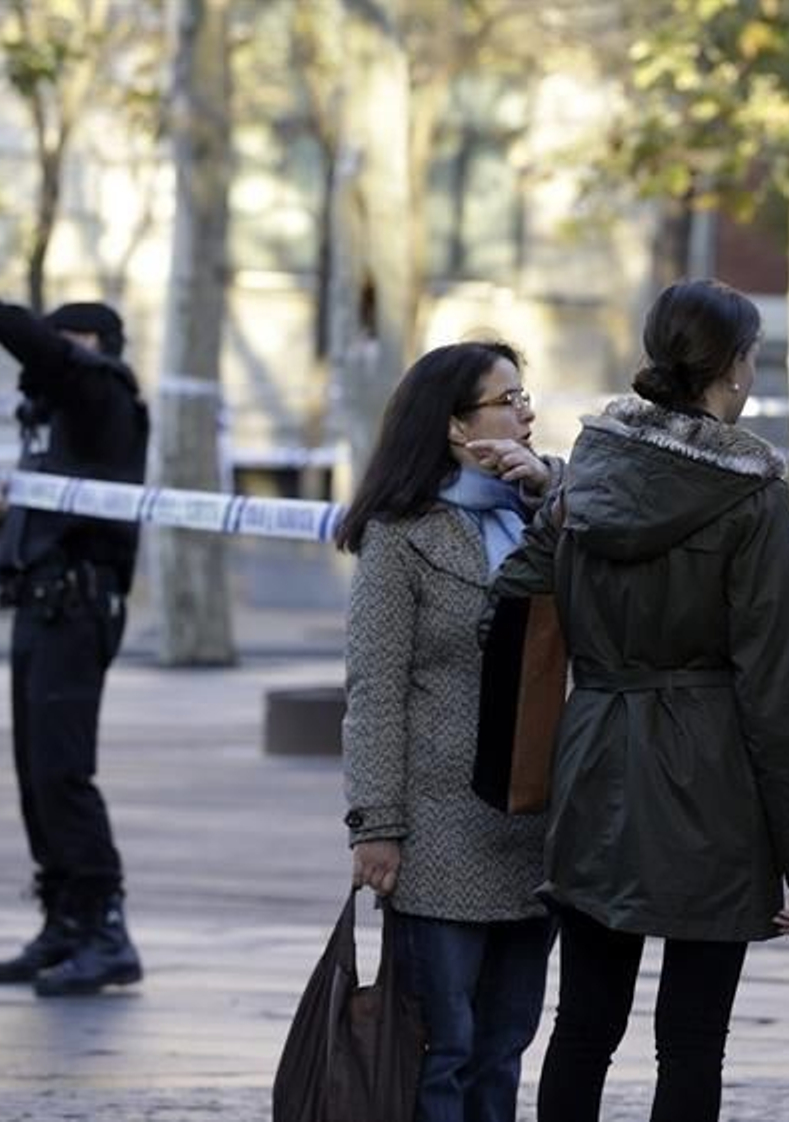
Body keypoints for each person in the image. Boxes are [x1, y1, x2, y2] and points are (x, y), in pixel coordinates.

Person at [490, 278, 789, 1122]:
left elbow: (517, 592)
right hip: (710, 776)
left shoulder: (591, 473)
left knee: (583, 1025)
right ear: (736, 370)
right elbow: (777, 686)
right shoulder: (751, 495)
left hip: (596, 752)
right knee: (691, 1042)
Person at [337, 341, 563, 1122]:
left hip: (535, 830)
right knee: (445, 1048)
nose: (527, 412)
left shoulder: (550, 518)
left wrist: (550, 494)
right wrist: (378, 824)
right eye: (508, 400)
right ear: (457, 427)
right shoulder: (402, 535)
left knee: (504, 1047)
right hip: (437, 835)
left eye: (524, 396)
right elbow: (375, 688)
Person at [0, 265, 148, 997]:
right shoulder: (49, 420)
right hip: (40, 604)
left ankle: (107, 929)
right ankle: (65, 920)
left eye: (67, 345)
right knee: (34, 776)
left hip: (78, 608)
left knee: (62, 773)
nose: (52, 357)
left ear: (100, 349)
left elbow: (57, 362)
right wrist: (7, 526)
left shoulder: (105, 394)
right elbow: (58, 510)